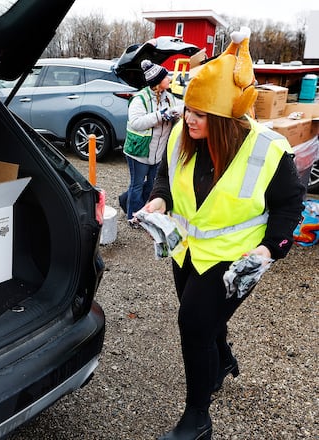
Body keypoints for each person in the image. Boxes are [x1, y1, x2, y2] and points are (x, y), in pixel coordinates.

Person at [139, 27, 306, 440]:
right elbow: (165, 176)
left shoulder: (269, 150)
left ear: (226, 121)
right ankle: (224, 358)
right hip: (187, 250)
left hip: (235, 257)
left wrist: (270, 249)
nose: (187, 118)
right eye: (186, 109)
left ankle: (198, 418)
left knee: (194, 323)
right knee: (207, 321)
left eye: (198, 114)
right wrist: (159, 201)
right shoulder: (184, 133)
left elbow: (289, 206)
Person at [120, 59, 182, 228]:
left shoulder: (169, 98)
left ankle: (134, 207)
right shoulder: (140, 98)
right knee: (137, 185)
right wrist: (160, 116)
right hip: (138, 152)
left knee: (152, 186)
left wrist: (177, 114)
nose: (169, 78)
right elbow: (136, 122)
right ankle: (133, 218)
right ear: (157, 81)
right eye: (166, 76)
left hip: (158, 153)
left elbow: (179, 110)